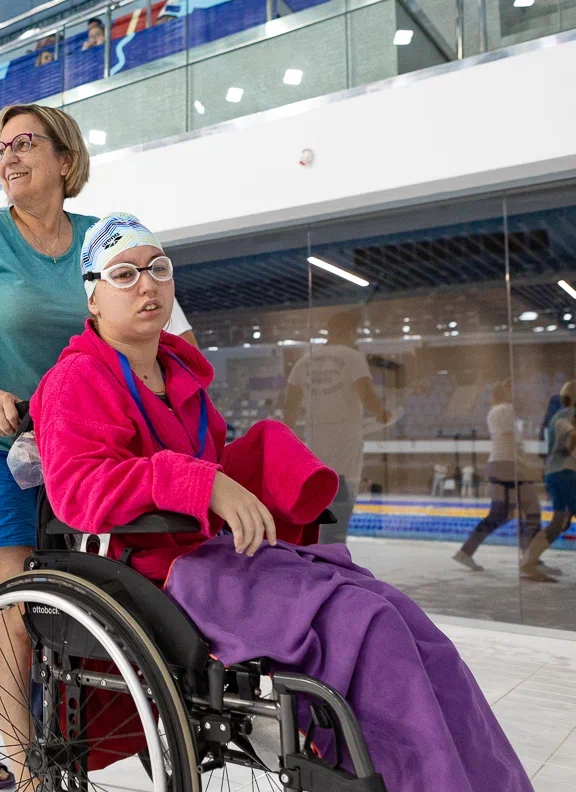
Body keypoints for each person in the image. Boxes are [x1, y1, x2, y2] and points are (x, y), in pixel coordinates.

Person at [32, 212, 531, 792]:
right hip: (157, 573)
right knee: (364, 624)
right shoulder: (77, 380)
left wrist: (263, 466)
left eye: (158, 269)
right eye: (124, 274)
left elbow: (217, 458)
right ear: (92, 298)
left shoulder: (180, 376)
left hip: (221, 556)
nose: (147, 284)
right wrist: (199, 482)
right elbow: (77, 489)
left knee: (400, 614)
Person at [0, 104, 194, 788]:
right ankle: (28, 772)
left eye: (25, 143)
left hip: (68, 446)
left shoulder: (96, 239)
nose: (9, 156)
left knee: (27, 605)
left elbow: (163, 329)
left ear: (65, 160)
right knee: (16, 608)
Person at [282, 309, 391, 543]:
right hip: (344, 443)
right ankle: (335, 556)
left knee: (318, 507)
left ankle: (317, 555)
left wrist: (287, 443)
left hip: (315, 447)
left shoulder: (305, 360)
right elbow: (367, 394)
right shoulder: (352, 357)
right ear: (351, 332)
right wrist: (383, 413)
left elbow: (290, 406)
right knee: (340, 509)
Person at [452, 378, 550, 580]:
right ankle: (529, 558)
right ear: (503, 392)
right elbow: (508, 442)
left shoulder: (498, 411)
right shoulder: (504, 410)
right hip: (507, 466)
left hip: (500, 465)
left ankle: (468, 551)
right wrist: (526, 467)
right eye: (510, 390)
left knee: (504, 512)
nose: (515, 394)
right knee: (529, 509)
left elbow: (508, 443)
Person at [520, 380, 575, 577]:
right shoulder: (571, 414)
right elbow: (572, 435)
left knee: (560, 522)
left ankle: (529, 561)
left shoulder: (555, 416)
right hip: (567, 472)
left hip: (554, 473)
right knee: (561, 521)